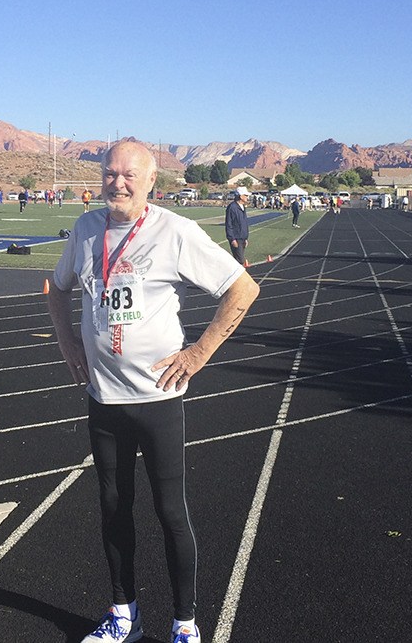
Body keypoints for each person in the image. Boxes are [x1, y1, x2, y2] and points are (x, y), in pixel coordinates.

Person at [48, 140, 259, 643]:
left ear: (150, 182)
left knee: (169, 511)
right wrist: (68, 343)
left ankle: (184, 624)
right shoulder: (85, 229)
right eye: (109, 173)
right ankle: (125, 614)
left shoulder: (174, 231)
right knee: (113, 506)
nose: (117, 183)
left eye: (129, 175)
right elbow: (56, 290)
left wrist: (197, 355)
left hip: (158, 400)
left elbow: (243, 288)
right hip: (103, 399)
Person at [225, 187, 251, 265]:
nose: (247, 197)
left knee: (239, 260)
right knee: (240, 260)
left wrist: (245, 238)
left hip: (242, 238)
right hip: (236, 238)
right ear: (240, 196)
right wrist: (232, 239)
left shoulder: (242, 207)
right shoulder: (232, 207)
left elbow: (244, 223)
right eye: (245, 195)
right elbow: (229, 224)